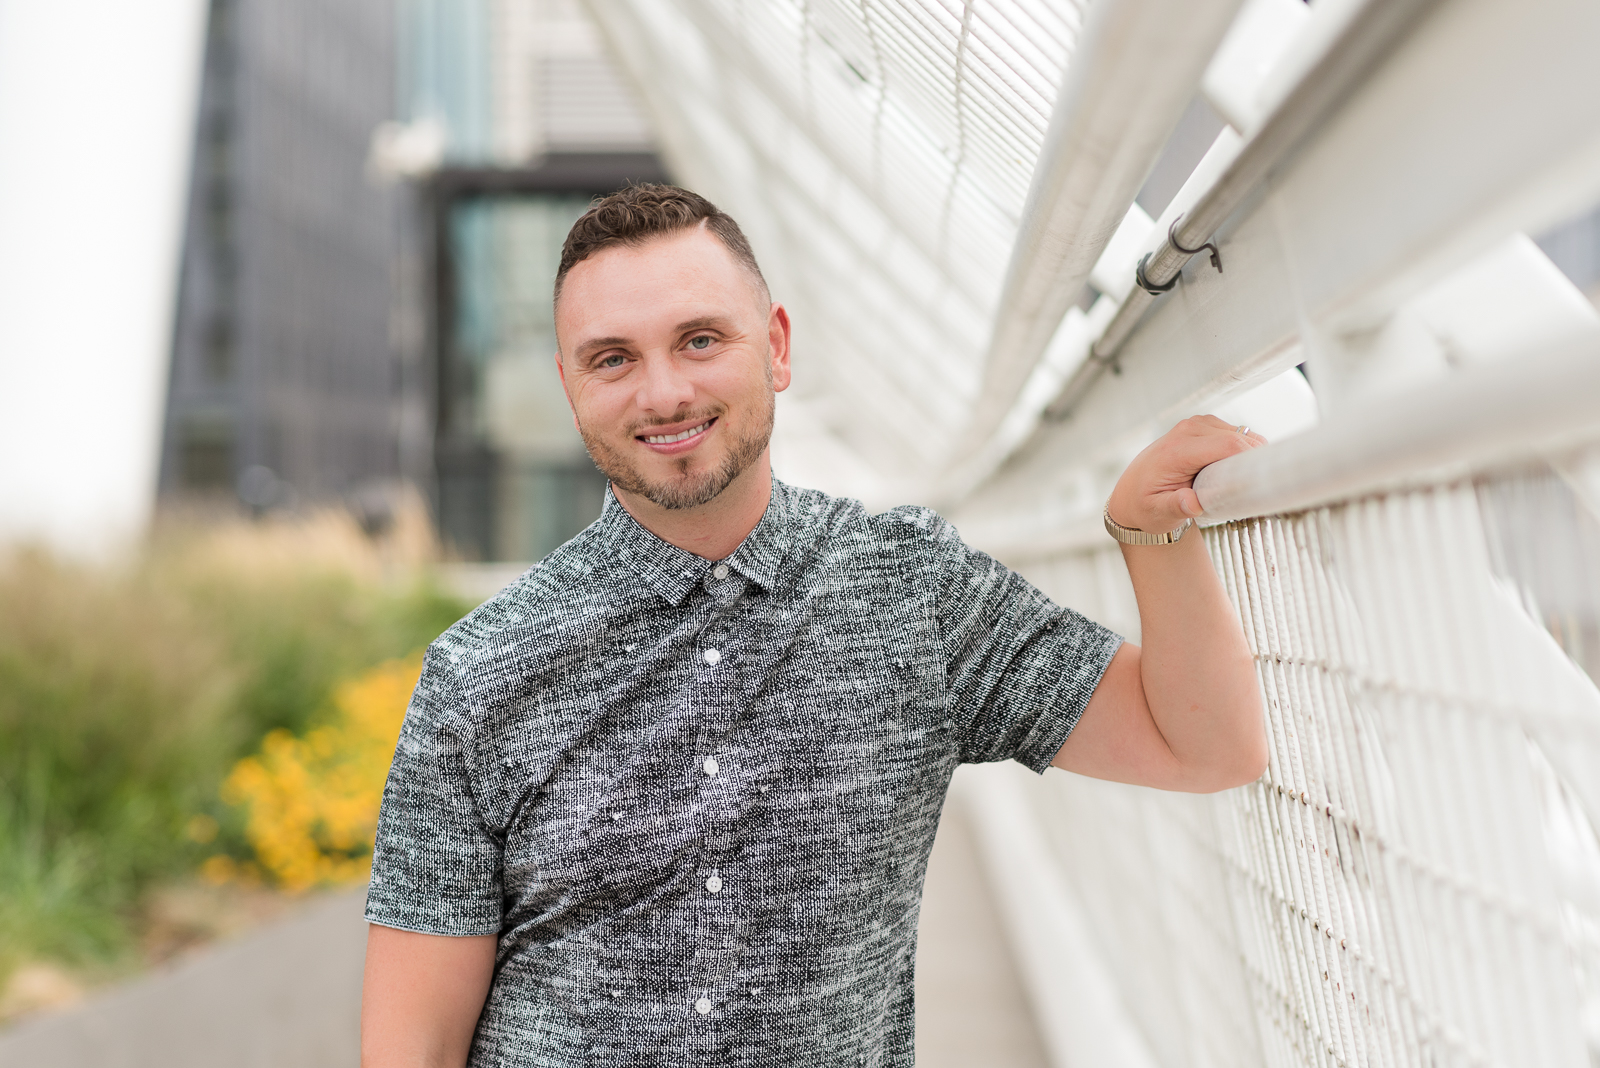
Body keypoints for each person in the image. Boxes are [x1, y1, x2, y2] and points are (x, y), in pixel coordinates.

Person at [360, 184, 1268, 1068]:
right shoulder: (479, 676)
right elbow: (414, 1048)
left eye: (700, 339)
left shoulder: (912, 591)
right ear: (571, 387)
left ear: (778, 347)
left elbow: (1203, 746)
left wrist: (1150, 536)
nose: (664, 391)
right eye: (613, 359)